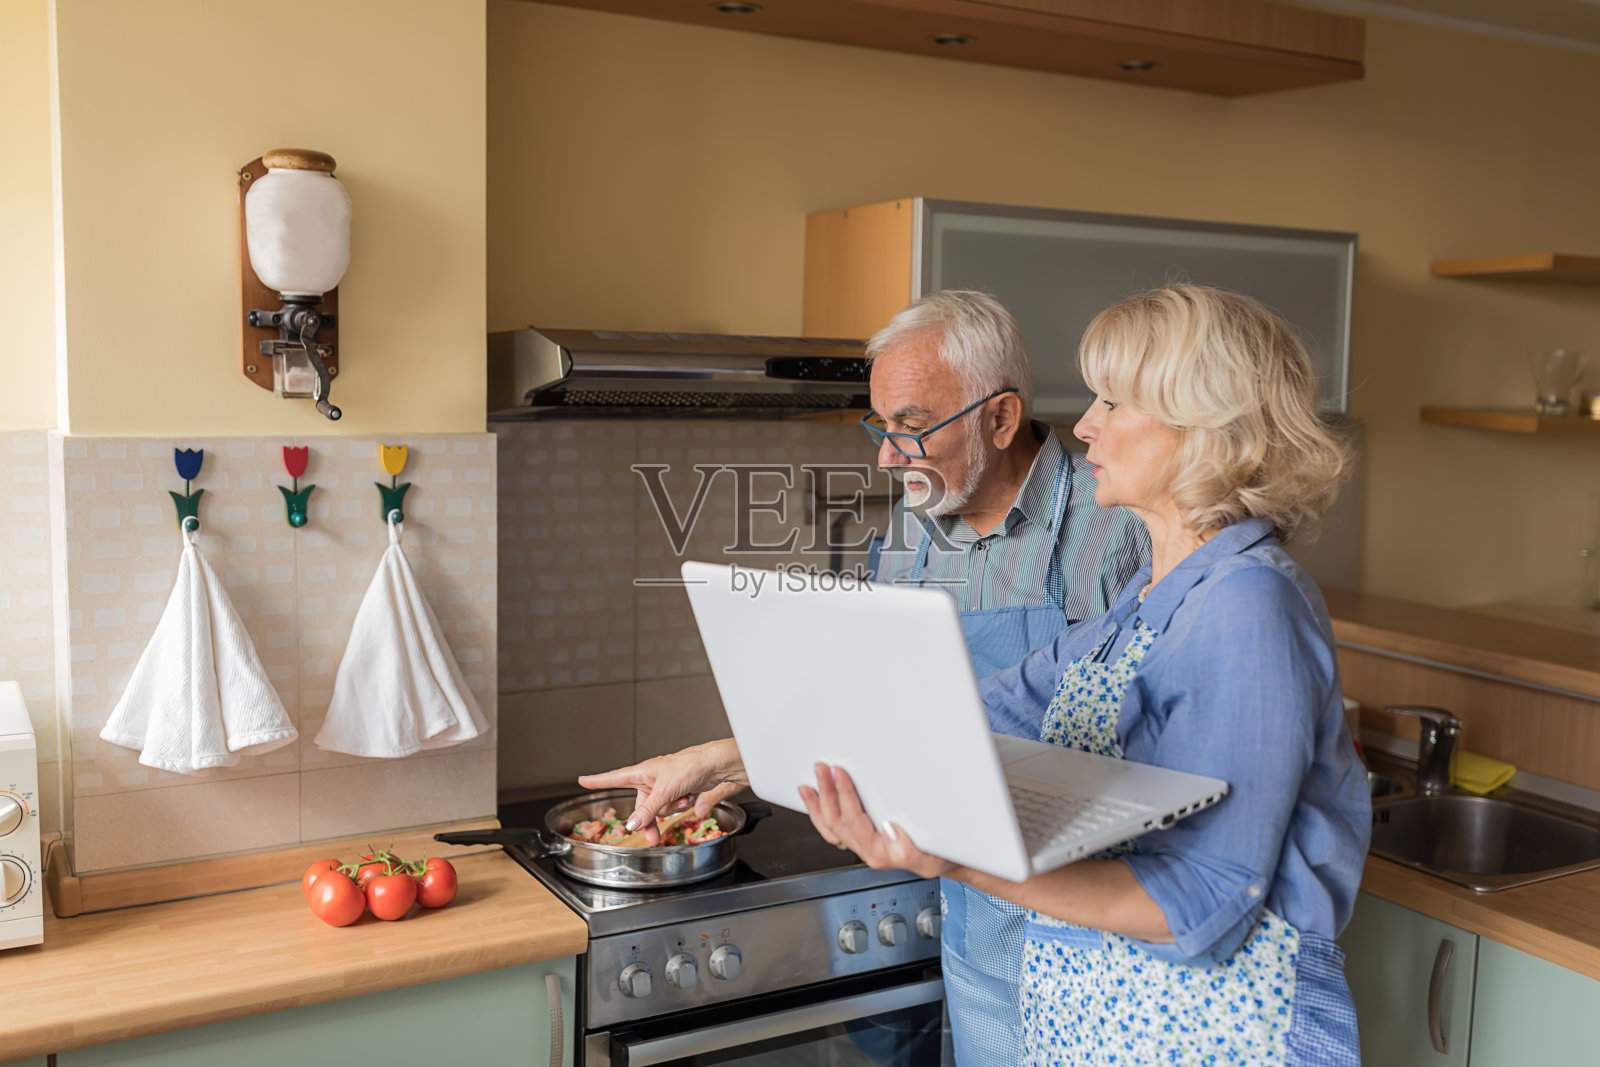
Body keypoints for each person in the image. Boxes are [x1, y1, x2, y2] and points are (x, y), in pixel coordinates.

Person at [801, 283, 1371, 1064]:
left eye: (1114, 401)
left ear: (1202, 427)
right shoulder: (1155, 598)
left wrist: (953, 858)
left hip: (1216, 1037)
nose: (1084, 424)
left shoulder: (1248, 605)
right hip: (1108, 1023)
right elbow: (987, 708)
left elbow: (1203, 904)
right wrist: (735, 755)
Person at [582, 289, 1149, 1066]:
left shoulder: (1119, 527)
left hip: (1086, 930)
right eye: (880, 426)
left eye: (912, 425)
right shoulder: (911, 529)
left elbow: (1139, 761)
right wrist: (730, 757)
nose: (886, 455)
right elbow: (880, 710)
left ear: (1002, 418)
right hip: (960, 908)